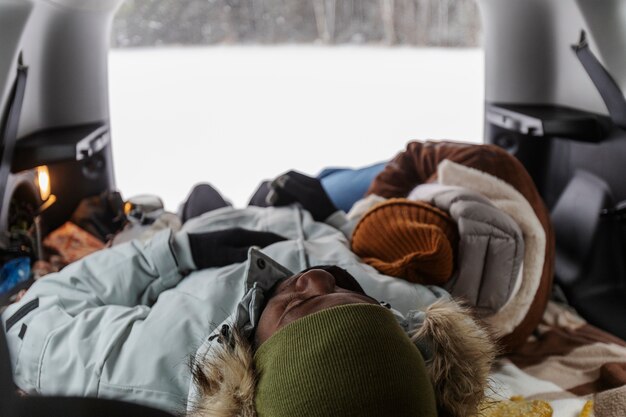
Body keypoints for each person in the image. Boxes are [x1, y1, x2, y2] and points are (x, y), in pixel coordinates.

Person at [1, 170, 495, 417]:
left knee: (201, 193)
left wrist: (178, 250)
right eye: (364, 303)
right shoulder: (409, 327)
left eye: (300, 307)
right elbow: (434, 297)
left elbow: (27, 320)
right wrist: (338, 219)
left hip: (204, 233)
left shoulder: (140, 371)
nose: (318, 278)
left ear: (252, 379)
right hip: (297, 219)